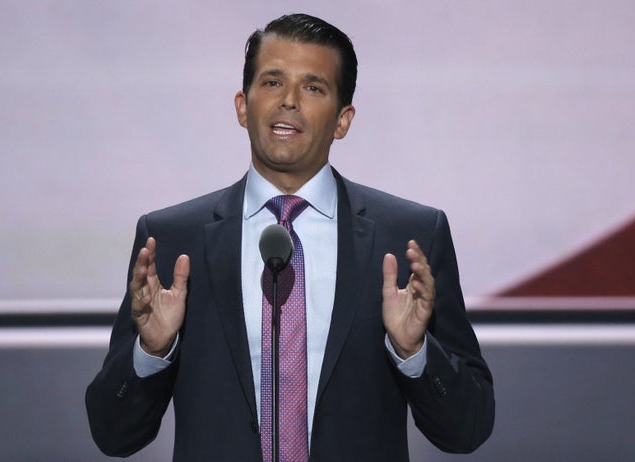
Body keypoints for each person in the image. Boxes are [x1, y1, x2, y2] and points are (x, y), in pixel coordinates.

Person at [86, 13, 495, 461]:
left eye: (313, 87)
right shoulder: (171, 240)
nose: (290, 102)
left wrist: (414, 350)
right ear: (243, 106)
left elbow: (468, 429)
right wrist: (152, 350)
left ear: (343, 120)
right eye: (273, 83)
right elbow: (113, 434)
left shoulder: (409, 238)